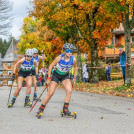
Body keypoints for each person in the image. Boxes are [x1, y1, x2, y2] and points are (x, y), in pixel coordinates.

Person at [36, 43, 77, 118]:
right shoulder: (60, 57)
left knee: (69, 90)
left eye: (71, 51)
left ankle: (65, 109)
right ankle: (40, 109)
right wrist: (48, 78)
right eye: (68, 51)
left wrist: (74, 77)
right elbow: (51, 65)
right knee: (51, 93)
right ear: (64, 51)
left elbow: (75, 67)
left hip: (65, 76)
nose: (69, 52)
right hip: (56, 75)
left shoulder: (73, 59)